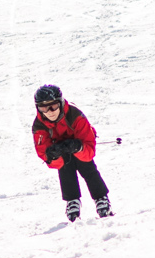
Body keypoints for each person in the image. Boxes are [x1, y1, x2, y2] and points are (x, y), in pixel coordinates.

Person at [31, 85, 111, 222]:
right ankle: (72, 199)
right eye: (43, 108)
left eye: (53, 106)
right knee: (64, 164)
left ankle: (101, 197)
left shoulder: (75, 116)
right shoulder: (39, 125)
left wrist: (78, 147)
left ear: (60, 103)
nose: (49, 112)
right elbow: (43, 153)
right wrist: (52, 155)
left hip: (80, 144)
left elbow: (89, 150)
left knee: (86, 164)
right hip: (61, 151)